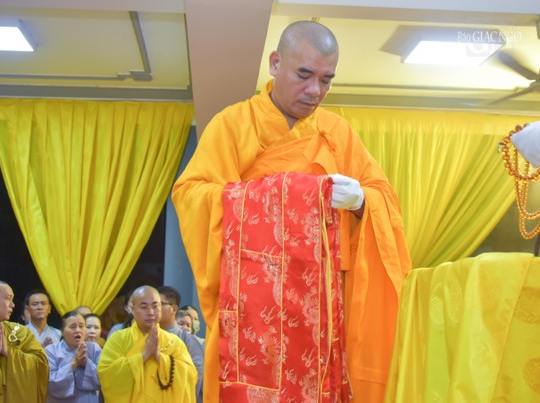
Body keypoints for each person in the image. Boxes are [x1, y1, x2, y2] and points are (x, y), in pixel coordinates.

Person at [172, 21, 411, 403]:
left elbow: (383, 197)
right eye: (304, 75)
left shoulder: (338, 132)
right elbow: (190, 193)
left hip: (325, 311)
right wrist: (283, 194)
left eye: (326, 80)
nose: (315, 90)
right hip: (253, 311)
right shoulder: (233, 124)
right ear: (275, 63)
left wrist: (361, 201)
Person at [97, 285, 198, 402]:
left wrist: (160, 357)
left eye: (155, 306)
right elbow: (106, 374)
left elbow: (191, 376)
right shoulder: (118, 339)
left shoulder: (174, 343)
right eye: (144, 307)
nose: (150, 312)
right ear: (132, 309)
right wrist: (144, 355)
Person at [157, 286, 204, 403]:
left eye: (160, 304)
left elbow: (195, 378)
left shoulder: (188, 341)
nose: (154, 309)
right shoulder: (147, 336)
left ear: (174, 309)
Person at [45, 311, 103, 402]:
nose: (78, 330)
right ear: (62, 332)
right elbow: (49, 383)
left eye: (81, 326)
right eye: (72, 327)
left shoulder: (94, 349)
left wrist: (86, 363)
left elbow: (104, 379)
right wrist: (74, 363)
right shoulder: (51, 351)